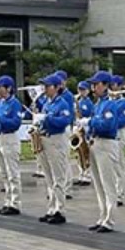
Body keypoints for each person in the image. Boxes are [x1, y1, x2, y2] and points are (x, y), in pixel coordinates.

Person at [83, 71, 120, 233]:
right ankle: (102, 216)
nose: (93, 88)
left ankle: (110, 220)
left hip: (106, 143)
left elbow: (107, 126)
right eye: (92, 85)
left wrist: (91, 122)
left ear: (105, 85)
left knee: (108, 184)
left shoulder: (110, 104)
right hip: (96, 142)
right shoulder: (98, 104)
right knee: (98, 184)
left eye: (96, 84)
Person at [35, 74, 73, 225]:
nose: (45, 89)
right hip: (46, 139)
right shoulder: (47, 103)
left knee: (58, 177)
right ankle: (51, 208)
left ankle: (60, 210)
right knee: (49, 177)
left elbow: (64, 121)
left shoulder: (62, 103)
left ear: (57, 87)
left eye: (48, 86)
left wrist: (46, 119)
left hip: (57, 139)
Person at [0, 76, 23, 215]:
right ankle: (7, 201)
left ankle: (15, 203)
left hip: (9, 137)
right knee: (3, 173)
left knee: (12, 173)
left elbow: (15, 123)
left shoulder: (15, 103)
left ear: (8, 88)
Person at [109, 75, 125, 206]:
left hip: (118, 135)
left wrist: (108, 121)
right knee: (110, 167)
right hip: (108, 136)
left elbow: (122, 121)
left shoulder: (124, 102)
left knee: (118, 167)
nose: (112, 87)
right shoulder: (108, 101)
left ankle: (119, 194)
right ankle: (111, 193)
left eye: (114, 85)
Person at [72, 80, 95, 186]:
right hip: (78, 128)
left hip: (85, 128)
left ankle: (87, 174)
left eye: (83, 90)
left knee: (85, 152)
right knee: (78, 153)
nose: (81, 92)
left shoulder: (89, 103)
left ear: (88, 91)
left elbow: (91, 115)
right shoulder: (77, 101)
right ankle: (81, 173)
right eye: (79, 89)